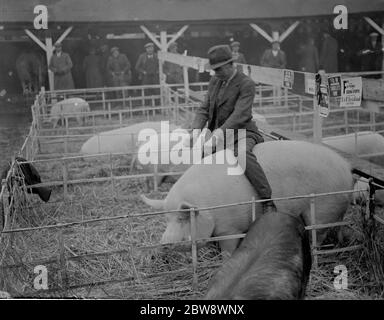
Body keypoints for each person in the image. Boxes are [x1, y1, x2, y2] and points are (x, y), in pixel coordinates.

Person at [186, 45, 276, 215]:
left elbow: (240, 114)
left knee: (242, 154)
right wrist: (196, 130)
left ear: (230, 64)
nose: (215, 73)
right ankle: (213, 202)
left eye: (218, 69)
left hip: (243, 132)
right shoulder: (215, 81)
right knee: (204, 158)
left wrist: (217, 134)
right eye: (214, 70)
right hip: (221, 134)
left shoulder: (246, 84)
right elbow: (204, 108)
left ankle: (267, 200)